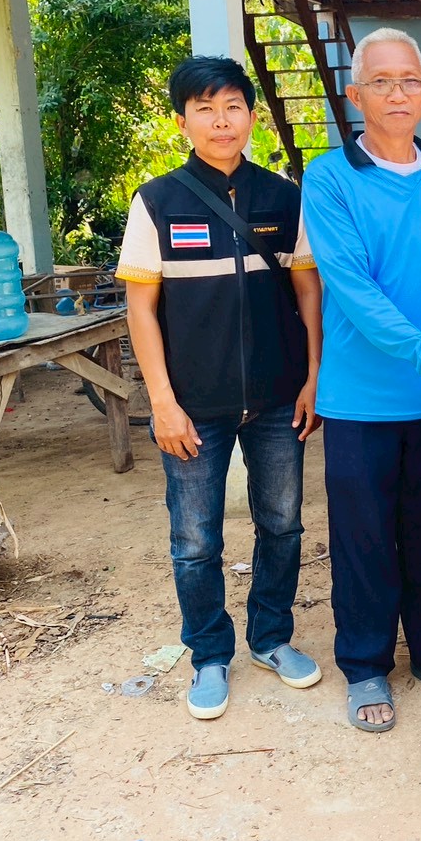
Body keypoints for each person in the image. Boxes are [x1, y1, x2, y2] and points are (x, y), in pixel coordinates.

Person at [301, 27, 421, 733]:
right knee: (363, 540)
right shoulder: (329, 179)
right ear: (355, 95)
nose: (396, 93)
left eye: (409, 80)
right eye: (380, 81)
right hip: (362, 399)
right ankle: (364, 664)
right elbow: (353, 290)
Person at [118, 55, 324, 721]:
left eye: (233, 106)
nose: (221, 121)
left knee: (282, 524)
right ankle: (209, 654)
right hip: (192, 406)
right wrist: (162, 403)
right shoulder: (157, 202)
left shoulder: (283, 197)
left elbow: (307, 291)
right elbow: (141, 310)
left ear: (252, 117)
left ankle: (271, 637)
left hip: (276, 397)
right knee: (196, 541)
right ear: (183, 122)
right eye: (204, 109)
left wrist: (313, 377)